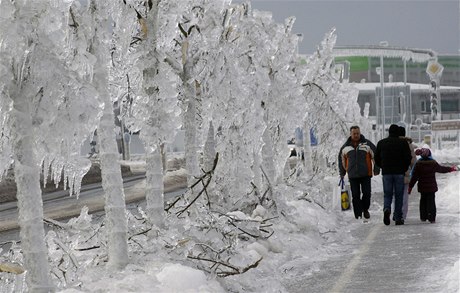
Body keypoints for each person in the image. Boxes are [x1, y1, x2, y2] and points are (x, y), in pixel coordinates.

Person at [338, 125, 380, 220]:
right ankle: (358, 215)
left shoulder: (367, 144)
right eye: (354, 133)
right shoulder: (345, 147)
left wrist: (376, 168)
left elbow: (375, 156)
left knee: (367, 193)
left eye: (358, 133)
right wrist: (342, 172)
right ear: (351, 134)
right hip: (353, 175)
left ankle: (365, 209)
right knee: (355, 196)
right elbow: (341, 160)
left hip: (366, 174)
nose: (356, 135)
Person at [375, 124, 412, 225]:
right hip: (399, 172)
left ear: (389, 132)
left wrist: (383, 166)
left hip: (386, 172)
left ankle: (387, 209)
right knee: (399, 195)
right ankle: (398, 217)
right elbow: (408, 157)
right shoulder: (403, 143)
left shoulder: (381, 143)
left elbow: (376, 158)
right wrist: (404, 168)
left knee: (388, 194)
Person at [408, 148, 458, 223]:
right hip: (431, 187)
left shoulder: (418, 164)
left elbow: (414, 177)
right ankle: (431, 218)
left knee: (423, 201)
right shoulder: (433, 163)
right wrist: (451, 169)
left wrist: (410, 187)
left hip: (422, 187)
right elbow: (441, 169)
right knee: (431, 202)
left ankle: (423, 217)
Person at [398, 126, 416, 220]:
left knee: (395, 194)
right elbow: (413, 160)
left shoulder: (394, 143)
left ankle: (396, 213)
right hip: (406, 172)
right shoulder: (409, 145)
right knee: (405, 195)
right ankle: (403, 215)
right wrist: (414, 170)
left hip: (395, 171)